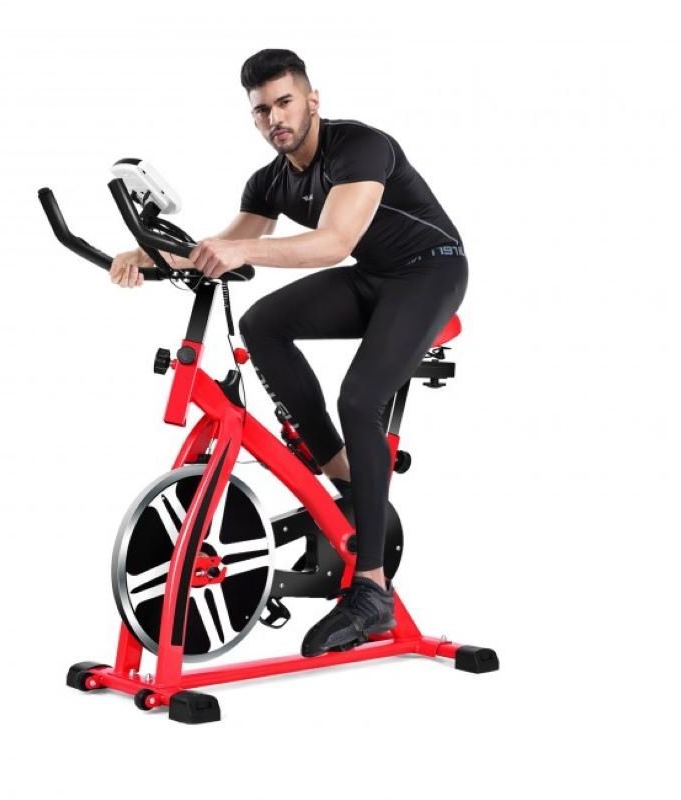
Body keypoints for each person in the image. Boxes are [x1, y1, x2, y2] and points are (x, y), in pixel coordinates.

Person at [110, 48, 469, 658]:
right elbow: (224, 245)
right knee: (263, 323)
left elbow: (334, 243)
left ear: (312, 101)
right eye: (261, 110)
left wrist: (242, 253)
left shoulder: (360, 147)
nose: (274, 118)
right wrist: (145, 256)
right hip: (375, 276)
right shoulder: (269, 180)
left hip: (430, 272)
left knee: (360, 399)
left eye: (284, 102)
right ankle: (344, 472)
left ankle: (372, 589)